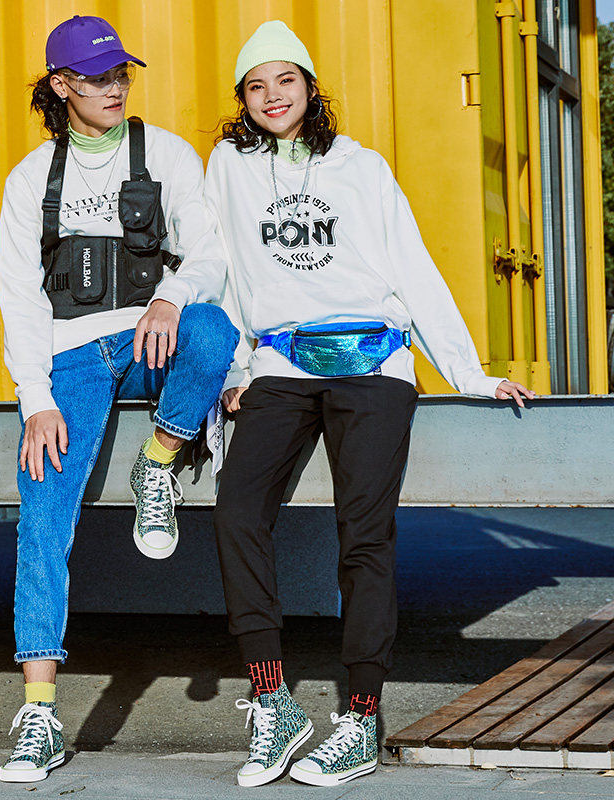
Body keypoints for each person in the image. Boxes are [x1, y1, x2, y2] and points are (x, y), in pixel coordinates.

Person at [151, 19, 535, 789]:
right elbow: (222, 269)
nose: (272, 96)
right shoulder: (228, 166)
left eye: (285, 80)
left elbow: (413, 268)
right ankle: (273, 703)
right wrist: (235, 365)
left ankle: (360, 719)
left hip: (373, 364)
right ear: (242, 99)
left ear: (309, 86)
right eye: (256, 86)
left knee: (363, 536)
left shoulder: (361, 168)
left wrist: (467, 372)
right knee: (237, 513)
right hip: (281, 365)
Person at [0, 15, 237, 783]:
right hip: (69, 360)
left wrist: (168, 297)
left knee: (211, 330)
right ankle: (39, 716)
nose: (115, 88)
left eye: (121, 74)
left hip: (148, 339)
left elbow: (210, 252)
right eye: (98, 77)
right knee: (43, 516)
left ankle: (156, 462)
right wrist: (36, 399)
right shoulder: (31, 178)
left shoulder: (163, 153)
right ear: (61, 84)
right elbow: (19, 297)